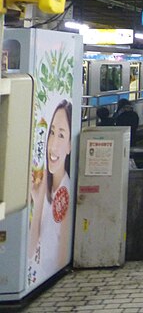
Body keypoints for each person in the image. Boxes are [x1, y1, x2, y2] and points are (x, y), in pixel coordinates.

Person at [29, 100, 73, 281]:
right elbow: (30, 250)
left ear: (71, 145)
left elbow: (60, 261)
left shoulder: (66, 192)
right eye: (51, 133)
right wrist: (38, 201)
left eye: (61, 136)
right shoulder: (45, 186)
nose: (52, 145)